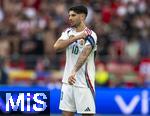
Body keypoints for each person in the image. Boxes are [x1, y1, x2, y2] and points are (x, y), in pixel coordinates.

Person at [54, 5, 97, 116]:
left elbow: (84, 54)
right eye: (69, 15)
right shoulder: (68, 33)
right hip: (67, 82)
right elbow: (56, 47)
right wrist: (76, 37)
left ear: (82, 17)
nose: (70, 18)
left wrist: (73, 71)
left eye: (73, 15)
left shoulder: (91, 34)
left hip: (84, 83)